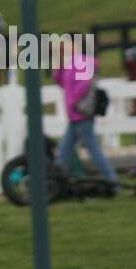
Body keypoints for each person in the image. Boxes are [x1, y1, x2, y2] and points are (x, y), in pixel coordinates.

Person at [54, 46, 119, 188]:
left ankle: (113, 181)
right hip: (74, 116)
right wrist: (59, 64)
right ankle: (56, 183)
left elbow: (84, 84)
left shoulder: (83, 61)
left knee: (93, 150)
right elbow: (60, 82)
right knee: (64, 151)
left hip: (81, 114)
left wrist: (73, 102)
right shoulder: (71, 63)